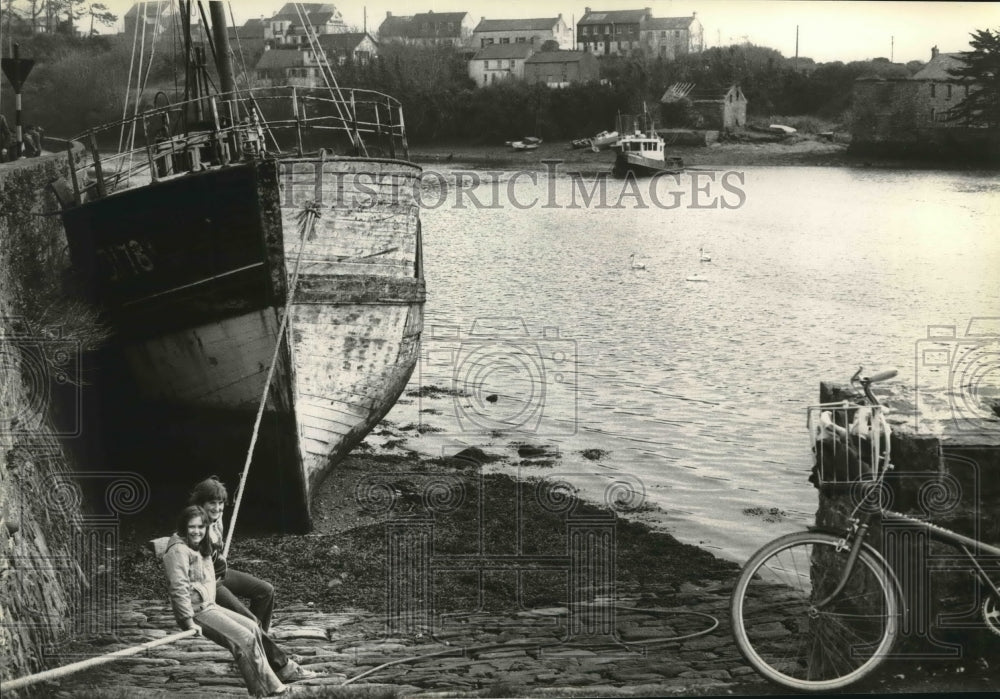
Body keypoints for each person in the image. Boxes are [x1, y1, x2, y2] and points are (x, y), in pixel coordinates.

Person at [162, 506, 316, 697]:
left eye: (201, 527)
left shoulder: (201, 545)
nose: (197, 531)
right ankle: (269, 691)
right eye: (192, 527)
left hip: (209, 606)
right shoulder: (177, 551)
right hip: (197, 611)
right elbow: (178, 588)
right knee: (244, 640)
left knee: (252, 627)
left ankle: (271, 680)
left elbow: (209, 577)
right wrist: (187, 621)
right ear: (184, 526)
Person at [189, 477, 275, 631]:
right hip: (208, 584)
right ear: (201, 504)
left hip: (220, 575)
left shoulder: (216, 521)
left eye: (220, 503)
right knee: (251, 622)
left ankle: (260, 638)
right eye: (212, 503)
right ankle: (262, 644)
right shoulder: (196, 527)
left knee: (266, 591)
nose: (217, 508)